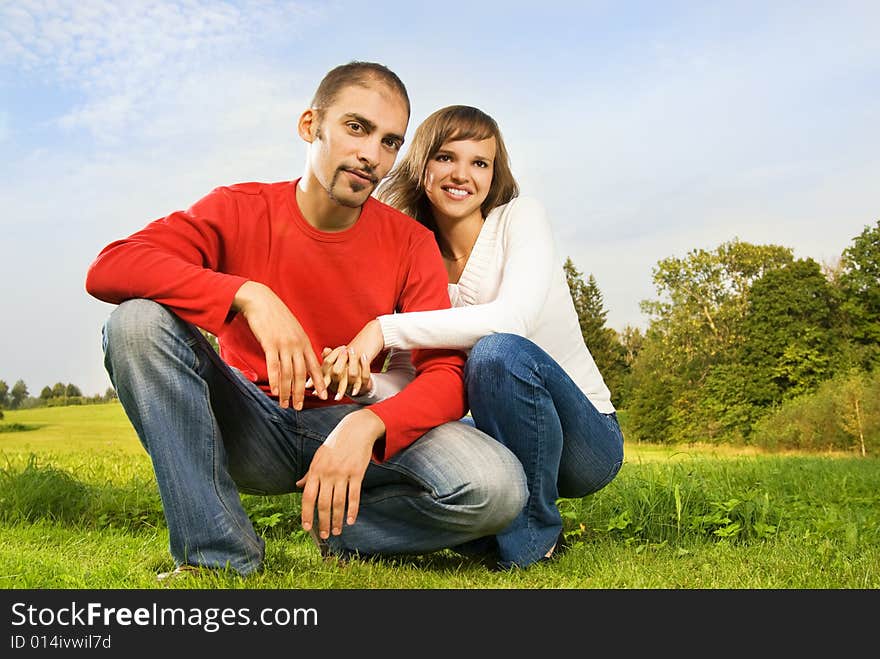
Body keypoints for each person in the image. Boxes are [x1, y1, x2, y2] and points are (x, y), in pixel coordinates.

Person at [84, 64, 527, 579]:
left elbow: (447, 376)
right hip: (250, 424)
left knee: (498, 489)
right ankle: (217, 556)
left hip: (353, 426)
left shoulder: (410, 242)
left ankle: (342, 529)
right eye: (356, 128)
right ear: (309, 125)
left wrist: (368, 424)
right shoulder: (237, 208)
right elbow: (110, 267)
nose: (370, 155)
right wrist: (247, 294)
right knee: (136, 324)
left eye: (389, 142)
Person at [319, 105, 624, 570]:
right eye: (446, 157)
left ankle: (531, 539)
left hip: (584, 440)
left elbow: (511, 321)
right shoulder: (412, 259)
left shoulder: (520, 218)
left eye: (479, 163)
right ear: (422, 167)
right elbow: (406, 379)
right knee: (414, 429)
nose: (462, 174)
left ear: (493, 174)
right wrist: (361, 385)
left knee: (496, 353)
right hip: (495, 435)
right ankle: (355, 530)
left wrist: (382, 329)